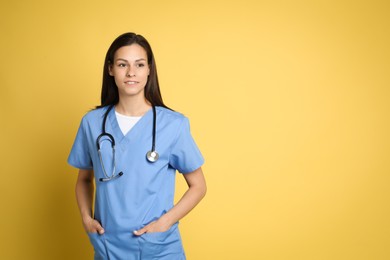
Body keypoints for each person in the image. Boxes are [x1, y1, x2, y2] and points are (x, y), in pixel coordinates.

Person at [68, 32, 206, 260]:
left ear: (149, 69)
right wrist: (86, 218)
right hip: (109, 246)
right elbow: (84, 179)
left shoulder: (173, 125)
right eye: (123, 64)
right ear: (110, 69)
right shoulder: (92, 123)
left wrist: (164, 223)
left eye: (139, 64)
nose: (131, 72)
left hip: (159, 247)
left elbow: (199, 186)